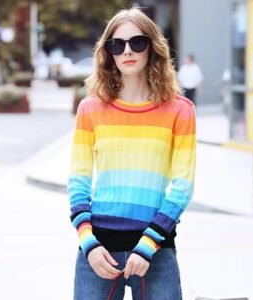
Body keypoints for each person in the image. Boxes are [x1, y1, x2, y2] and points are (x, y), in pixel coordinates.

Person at [67, 7, 196, 300]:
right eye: (117, 44)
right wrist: (88, 243)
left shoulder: (180, 110)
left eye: (137, 42)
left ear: (152, 47)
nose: (127, 50)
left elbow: (182, 186)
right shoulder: (90, 109)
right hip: (98, 253)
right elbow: (78, 182)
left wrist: (148, 244)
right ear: (108, 52)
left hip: (156, 250)